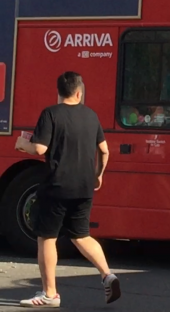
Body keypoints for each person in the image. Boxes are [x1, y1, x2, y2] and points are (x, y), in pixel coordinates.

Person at [14, 72, 121, 307]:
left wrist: (23, 144)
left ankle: (50, 294)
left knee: (47, 237)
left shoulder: (51, 113)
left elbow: (39, 149)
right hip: (84, 187)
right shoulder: (91, 115)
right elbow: (104, 151)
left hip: (57, 186)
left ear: (59, 92)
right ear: (79, 93)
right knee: (81, 235)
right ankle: (107, 275)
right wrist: (98, 175)